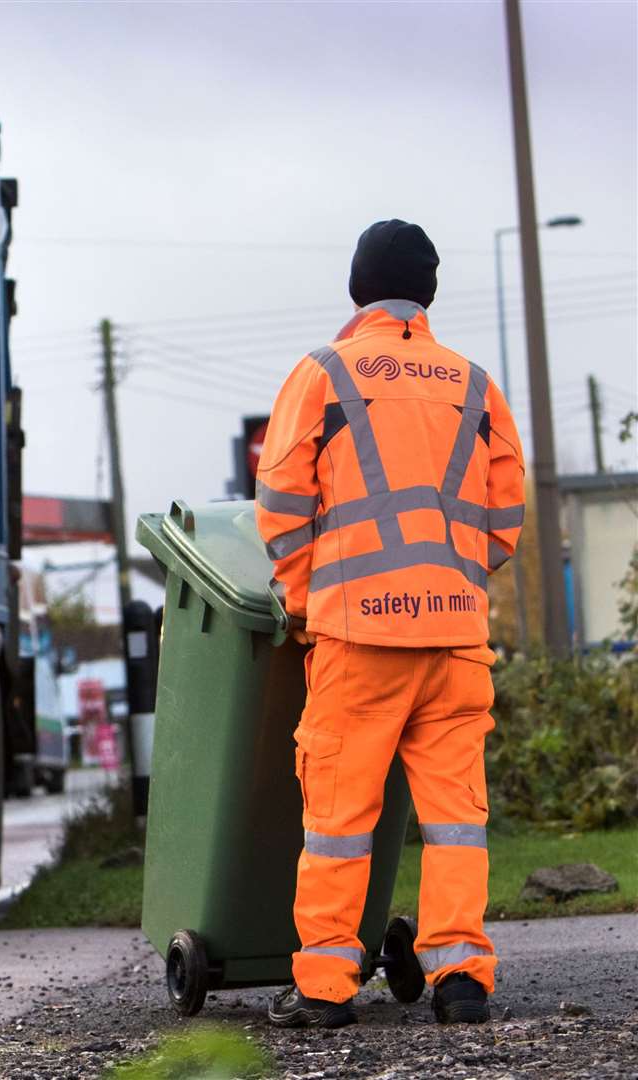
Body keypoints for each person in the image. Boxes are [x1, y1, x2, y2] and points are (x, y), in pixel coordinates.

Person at [255, 220, 525, 1029]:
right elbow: (505, 517)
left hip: (357, 641)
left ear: (356, 288)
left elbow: (280, 501)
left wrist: (309, 598)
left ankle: (327, 989)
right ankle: (461, 981)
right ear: (429, 292)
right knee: (455, 822)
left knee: (339, 820)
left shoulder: (324, 373)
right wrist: (451, 580)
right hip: (454, 640)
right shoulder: (475, 384)